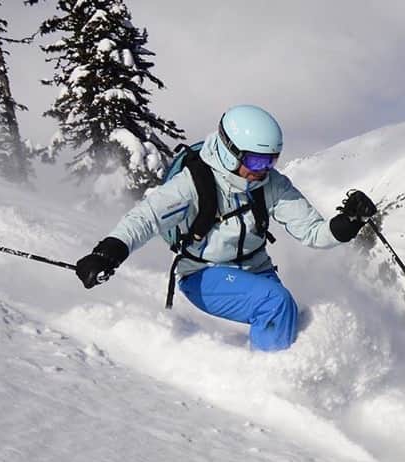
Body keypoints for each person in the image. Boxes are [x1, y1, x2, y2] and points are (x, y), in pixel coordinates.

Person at [74, 104, 376, 351]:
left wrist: (349, 221)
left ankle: (284, 374)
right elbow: (146, 218)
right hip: (203, 274)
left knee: (289, 319)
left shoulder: (270, 184)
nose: (264, 170)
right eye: (257, 161)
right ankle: (269, 386)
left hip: (255, 269)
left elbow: (313, 233)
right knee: (277, 304)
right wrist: (106, 254)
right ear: (230, 151)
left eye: (271, 160)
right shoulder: (193, 184)